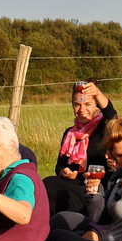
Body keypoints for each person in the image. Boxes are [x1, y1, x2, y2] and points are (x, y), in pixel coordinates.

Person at [42, 80, 117, 215]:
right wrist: (64, 171)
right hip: (73, 185)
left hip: (96, 187)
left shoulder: (105, 129)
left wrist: (98, 93)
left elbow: (111, 113)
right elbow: (59, 165)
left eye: (88, 104)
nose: (82, 110)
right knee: (47, 184)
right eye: (77, 105)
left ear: (97, 106)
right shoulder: (70, 134)